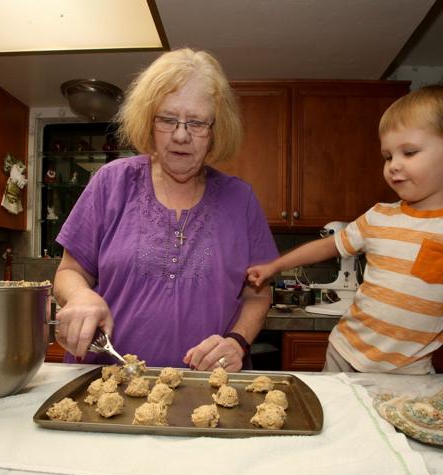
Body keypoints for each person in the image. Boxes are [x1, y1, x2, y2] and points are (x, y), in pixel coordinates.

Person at [247, 84, 443, 399]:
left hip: (409, 375)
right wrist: (275, 265)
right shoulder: (378, 216)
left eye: (409, 152)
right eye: (388, 155)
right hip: (344, 354)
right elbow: (328, 245)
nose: (393, 165)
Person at [53, 48, 278, 372]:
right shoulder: (110, 183)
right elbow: (69, 272)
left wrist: (237, 341)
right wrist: (80, 297)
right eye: (168, 119)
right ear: (148, 119)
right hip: (105, 381)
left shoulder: (240, 200)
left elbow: (258, 294)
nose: (181, 135)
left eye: (197, 122)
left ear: (216, 129)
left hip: (206, 390)